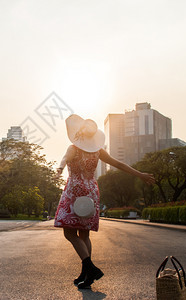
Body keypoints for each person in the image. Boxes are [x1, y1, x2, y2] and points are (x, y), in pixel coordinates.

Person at [54, 114, 155, 289]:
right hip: (91, 191)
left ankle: (89, 268)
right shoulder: (97, 151)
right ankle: (86, 274)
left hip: (75, 191)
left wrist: (59, 170)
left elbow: (64, 159)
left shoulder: (73, 148)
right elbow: (119, 164)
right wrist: (140, 174)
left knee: (69, 233)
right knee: (84, 234)